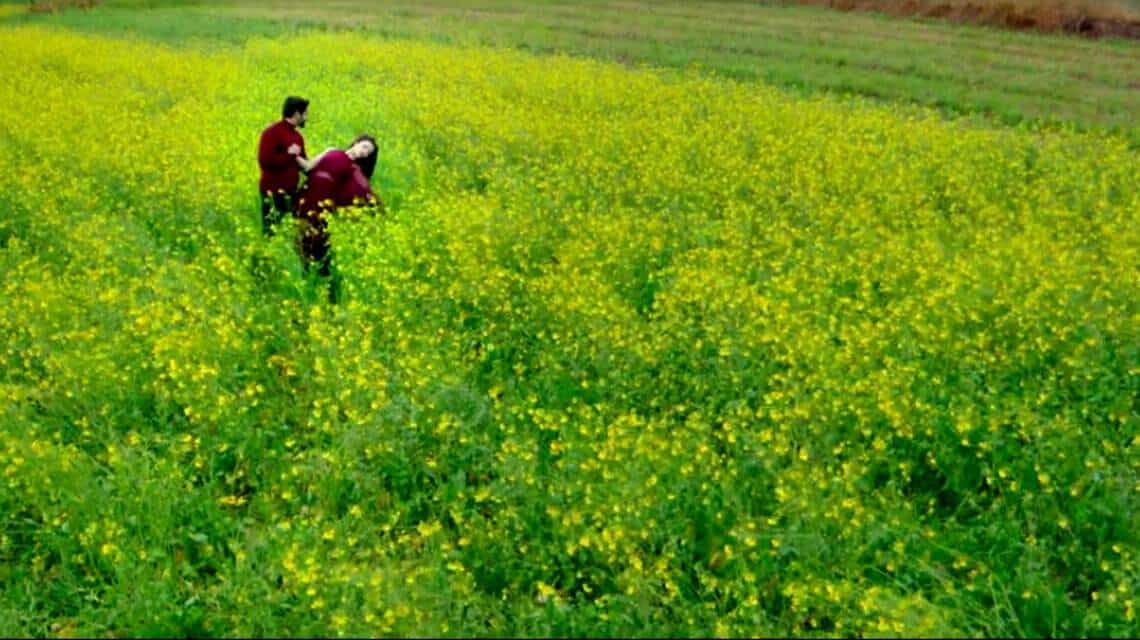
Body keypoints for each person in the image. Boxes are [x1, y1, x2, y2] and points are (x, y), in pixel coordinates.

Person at [294, 134, 381, 300]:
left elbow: (361, 190)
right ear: (355, 142)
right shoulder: (331, 150)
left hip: (323, 205)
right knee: (299, 240)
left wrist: (374, 205)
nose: (365, 153)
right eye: (364, 147)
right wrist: (291, 153)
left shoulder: (354, 170)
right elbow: (307, 167)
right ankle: (307, 284)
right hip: (307, 195)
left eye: (368, 153)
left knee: (318, 245)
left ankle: (327, 291)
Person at [257, 96, 309, 237]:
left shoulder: (297, 137)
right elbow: (265, 161)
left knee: (293, 232)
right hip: (272, 193)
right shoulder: (272, 132)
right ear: (297, 114)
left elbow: (304, 164)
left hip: (291, 193)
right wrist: (289, 155)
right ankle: (264, 257)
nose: (307, 118)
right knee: (270, 233)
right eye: (305, 114)